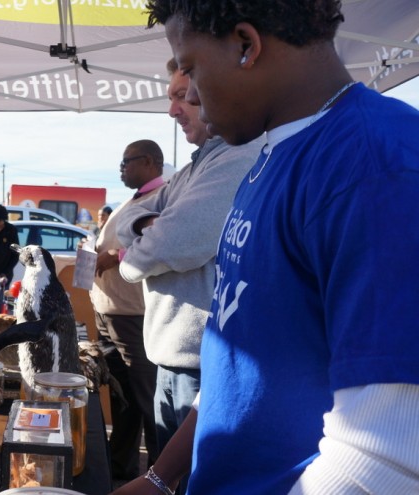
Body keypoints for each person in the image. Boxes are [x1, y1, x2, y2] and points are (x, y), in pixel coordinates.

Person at [135, 0, 419, 493]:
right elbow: (234, 362)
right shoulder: (272, 156)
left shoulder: (377, 166)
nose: (191, 94)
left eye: (191, 68)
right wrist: (161, 477)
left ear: (246, 45)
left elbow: (386, 457)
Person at [115, 55, 262, 493]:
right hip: (174, 359)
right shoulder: (194, 168)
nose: (174, 109)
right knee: (166, 477)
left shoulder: (237, 159)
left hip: (201, 367)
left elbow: (171, 244)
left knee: (182, 481)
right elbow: (127, 222)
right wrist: (150, 224)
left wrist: (142, 247)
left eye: (184, 95)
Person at [90, 139, 165, 481]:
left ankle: (161, 476)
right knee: (123, 396)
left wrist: (115, 256)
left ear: (148, 161)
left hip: (132, 314)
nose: (121, 169)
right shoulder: (135, 198)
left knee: (147, 397)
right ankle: (121, 467)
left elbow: (160, 242)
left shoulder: (160, 197)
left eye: (126, 162)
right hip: (111, 311)